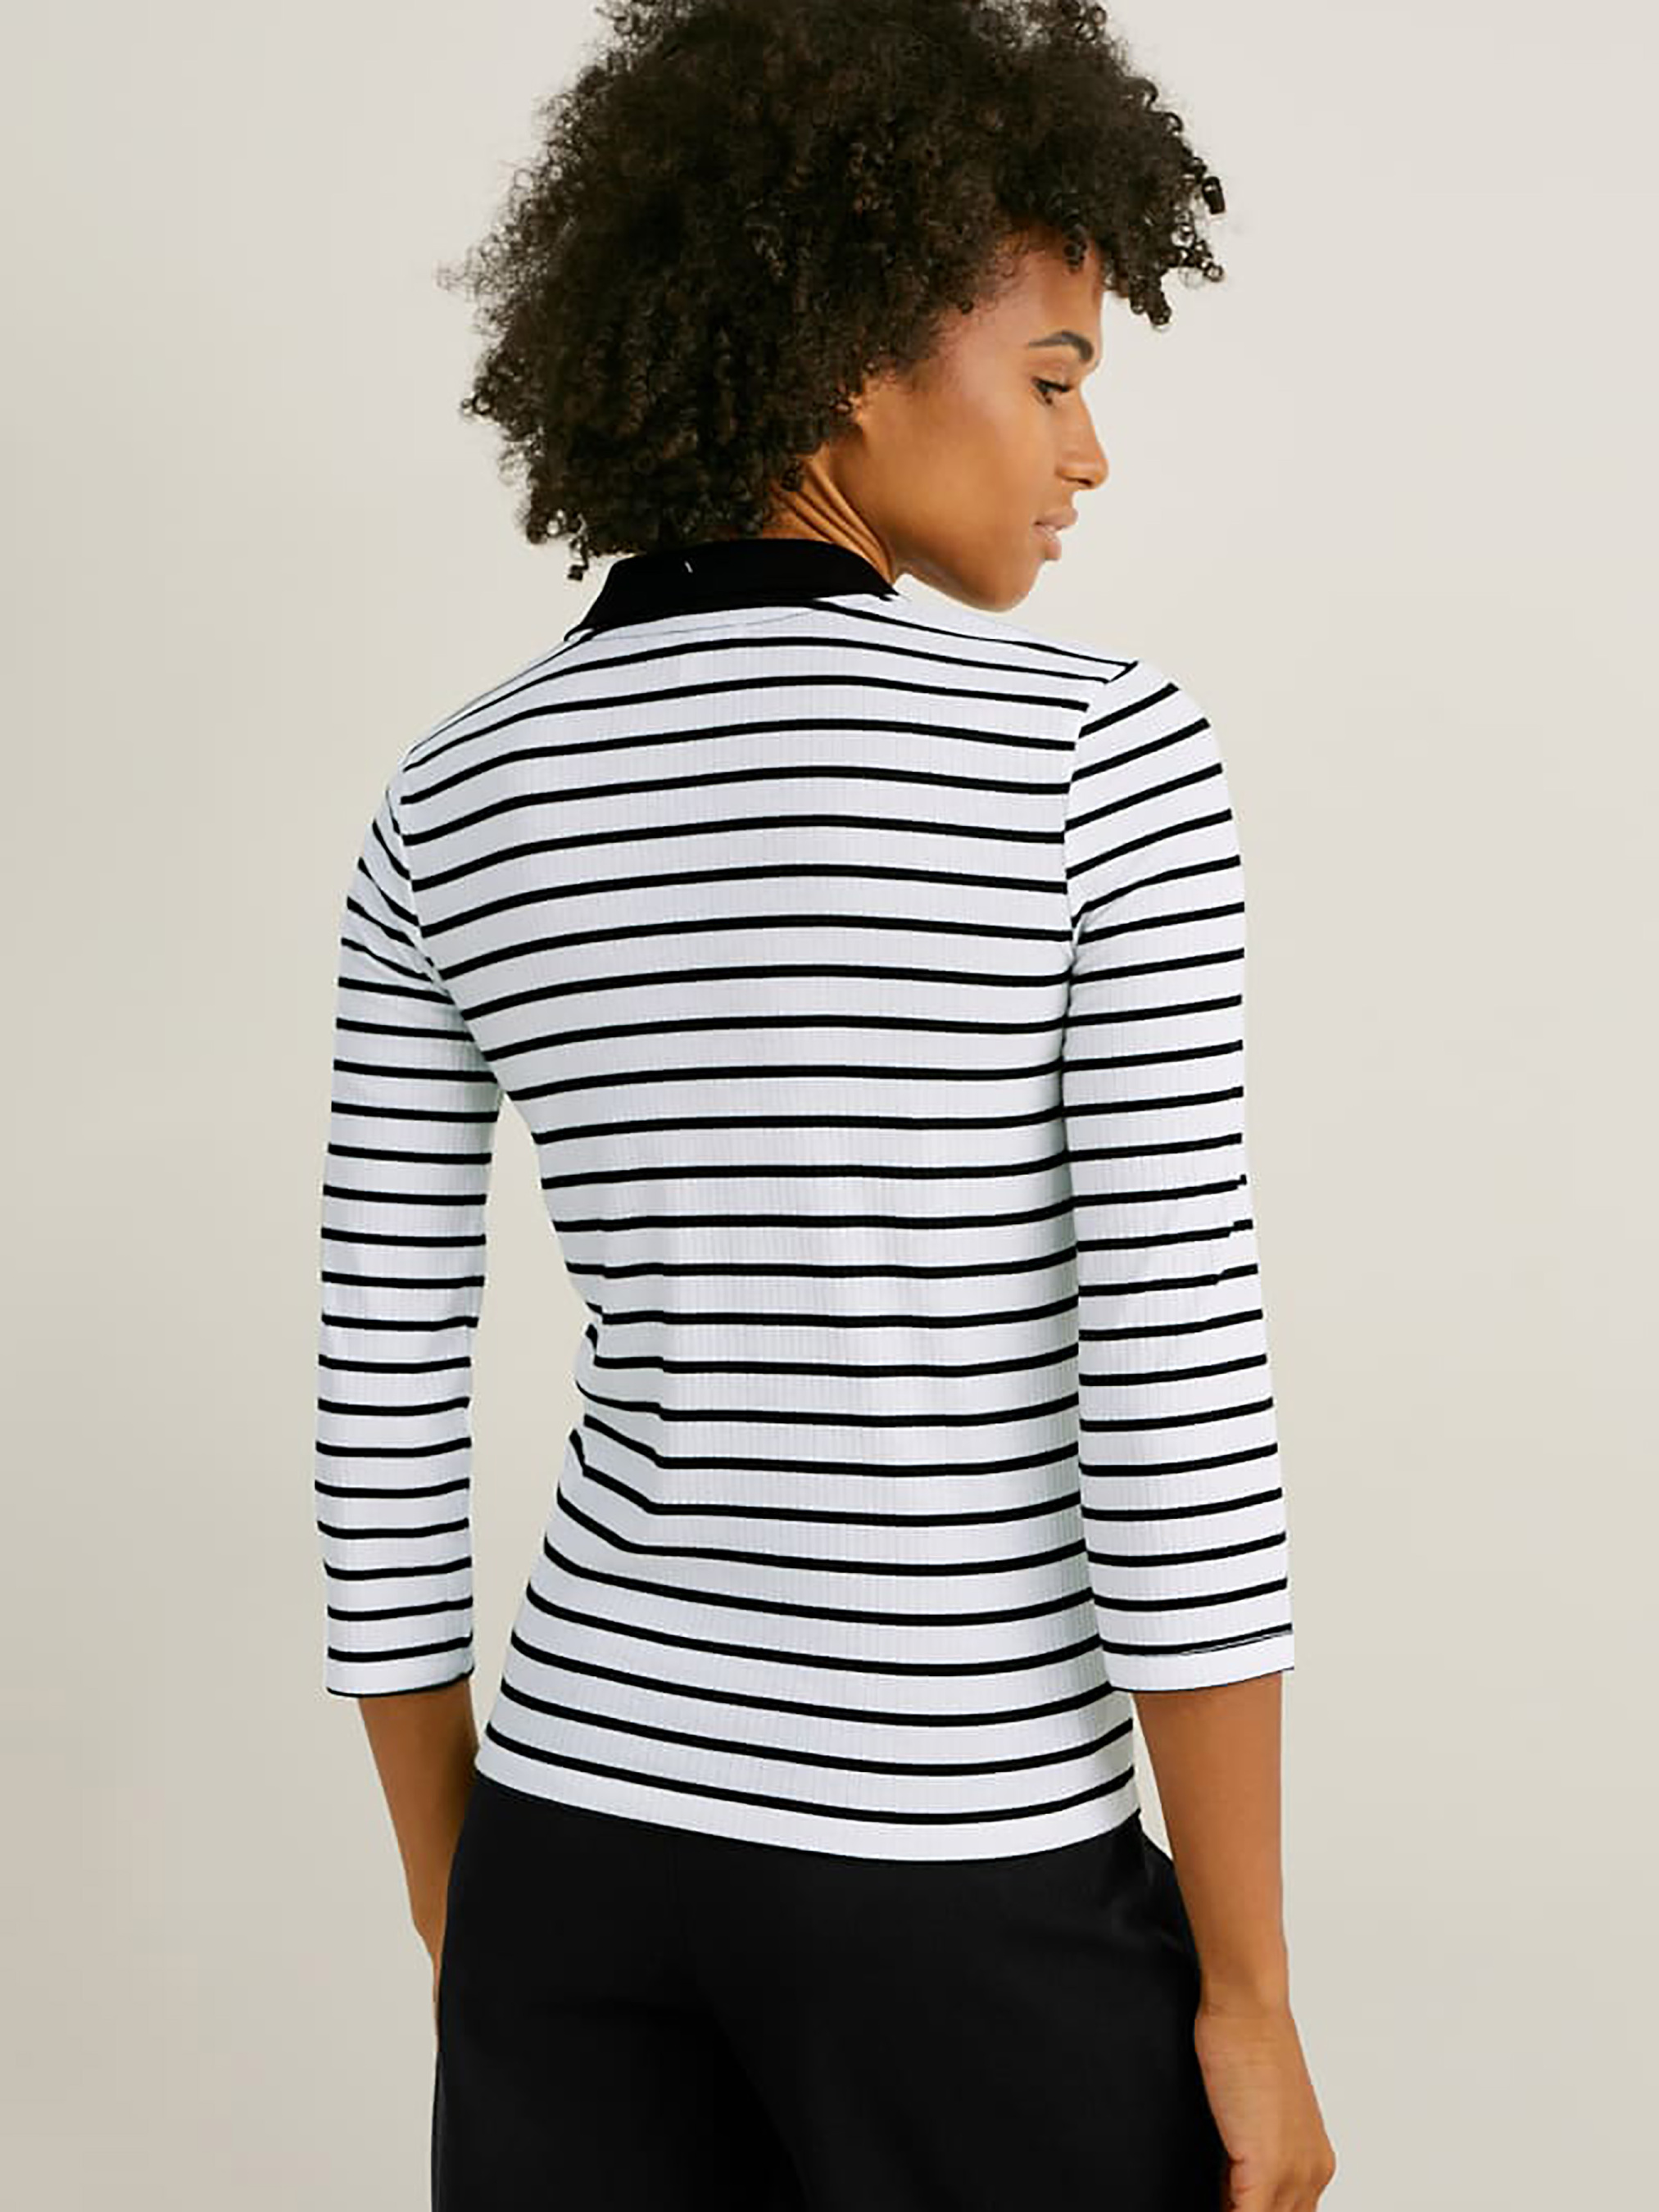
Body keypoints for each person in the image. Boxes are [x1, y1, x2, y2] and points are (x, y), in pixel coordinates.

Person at [313, 2, 1337, 2205]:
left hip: (572, 1857)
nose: (1087, 455)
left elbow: (378, 1409)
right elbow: (1173, 1396)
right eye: (1051, 376)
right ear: (858, 359)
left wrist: (461, 1905)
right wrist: (1248, 1992)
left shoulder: (449, 796)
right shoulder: (1095, 762)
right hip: (954, 1865)